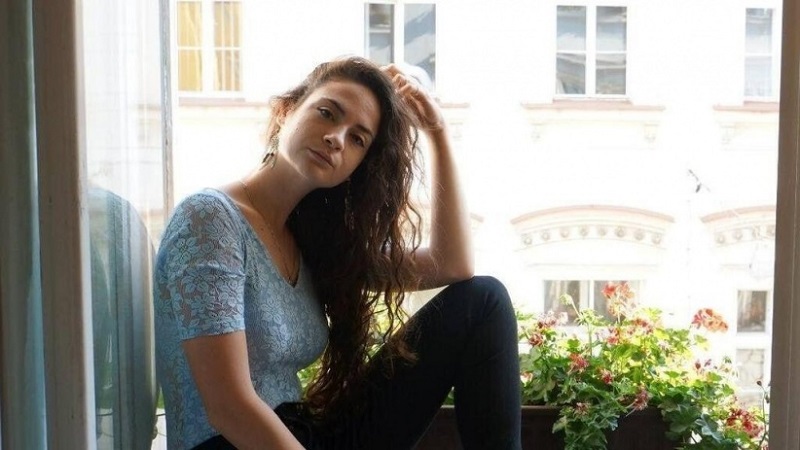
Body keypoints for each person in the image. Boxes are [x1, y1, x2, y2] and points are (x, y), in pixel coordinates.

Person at [154, 56, 521, 450]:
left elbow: (452, 265)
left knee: (483, 301)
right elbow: (228, 407)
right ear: (287, 111)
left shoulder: (311, 240)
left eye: (358, 139)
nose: (336, 138)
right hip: (232, 443)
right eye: (327, 113)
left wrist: (438, 133)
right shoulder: (210, 219)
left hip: (304, 435)